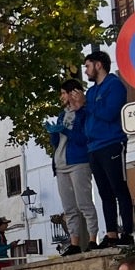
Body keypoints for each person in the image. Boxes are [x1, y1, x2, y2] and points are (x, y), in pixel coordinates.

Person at [83, 50, 134, 247]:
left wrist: (87, 105)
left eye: (88, 66)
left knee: (119, 187)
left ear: (98, 65)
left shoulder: (114, 85)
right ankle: (111, 233)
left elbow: (109, 113)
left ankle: (127, 232)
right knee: (104, 192)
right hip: (94, 148)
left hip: (112, 143)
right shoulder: (91, 92)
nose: (86, 71)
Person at [48, 79, 98, 254]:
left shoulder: (83, 113)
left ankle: (93, 239)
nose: (61, 97)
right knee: (69, 208)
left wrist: (65, 130)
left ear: (71, 94)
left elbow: (83, 138)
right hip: (60, 164)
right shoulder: (62, 115)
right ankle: (74, 243)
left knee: (84, 203)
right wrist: (53, 133)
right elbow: (57, 142)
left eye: (63, 93)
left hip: (79, 162)